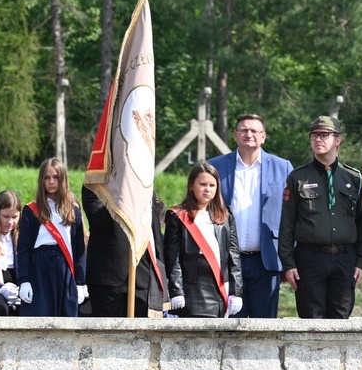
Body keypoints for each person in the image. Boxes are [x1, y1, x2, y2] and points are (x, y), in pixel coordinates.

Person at [279, 116, 362, 319]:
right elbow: (286, 224)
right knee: (311, 320)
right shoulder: (298, 177)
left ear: (337, 140)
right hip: (310, 259)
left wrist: (361, 261)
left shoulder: (353, 178)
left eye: (324, 135)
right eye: (314, 135)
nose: (317, 139)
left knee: (340, 319)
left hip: (344, 259)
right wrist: (288, 264)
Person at [209, 114, 293, 318]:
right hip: (226, 261)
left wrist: (289, 261)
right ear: (235, 135)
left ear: (263, 136)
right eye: (244, 130)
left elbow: (292, 217)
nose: (249, 134)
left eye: (254, 131)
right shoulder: (216, 166)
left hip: (265, 260)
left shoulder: (283, 167)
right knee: (229, 328)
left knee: (263, 330)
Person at [164, 161, 243, 318]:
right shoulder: (177, 215)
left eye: (212, 185)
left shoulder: (226, 216)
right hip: (190, 289)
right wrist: (176, 290)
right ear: (191, 185)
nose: (207, 189)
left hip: (219, 287)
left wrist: (237, 291)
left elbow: (233, 256)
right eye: (203, 184)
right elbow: (173, 257)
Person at [82, 186, 169, 317]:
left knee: (142, 334)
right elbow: (97, 220)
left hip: (142, 276)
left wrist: (161, 271)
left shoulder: (145, 188)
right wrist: (122, 194)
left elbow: (155, 233)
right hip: (108, 280)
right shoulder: (94, 186)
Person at [17, 158, 87, 317]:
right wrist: (24, 280)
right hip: (39, 269)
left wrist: (81, 282)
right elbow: (23, 248)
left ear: (63, 179)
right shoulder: (31, 210)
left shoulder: (73, 210)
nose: (51, 182)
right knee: (39, 320)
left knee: (66, 321)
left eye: (55, 177)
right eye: (47, 178)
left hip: (65, 269)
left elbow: (80, 250)